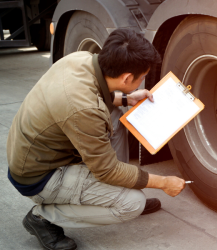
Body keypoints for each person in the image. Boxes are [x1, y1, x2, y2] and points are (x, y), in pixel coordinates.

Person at [6, 28, 186, 250]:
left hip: (34, 152)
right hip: (40, 176)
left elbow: (97, 91)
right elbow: (107, 171)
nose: (142, 81)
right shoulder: (82, 109)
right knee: (132, 204)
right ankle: (43, 217)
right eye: (141, 78)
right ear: (127, 77)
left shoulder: (81, 59)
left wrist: (127, 98)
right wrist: (164, 183)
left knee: (115, 116)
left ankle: (118, 189)